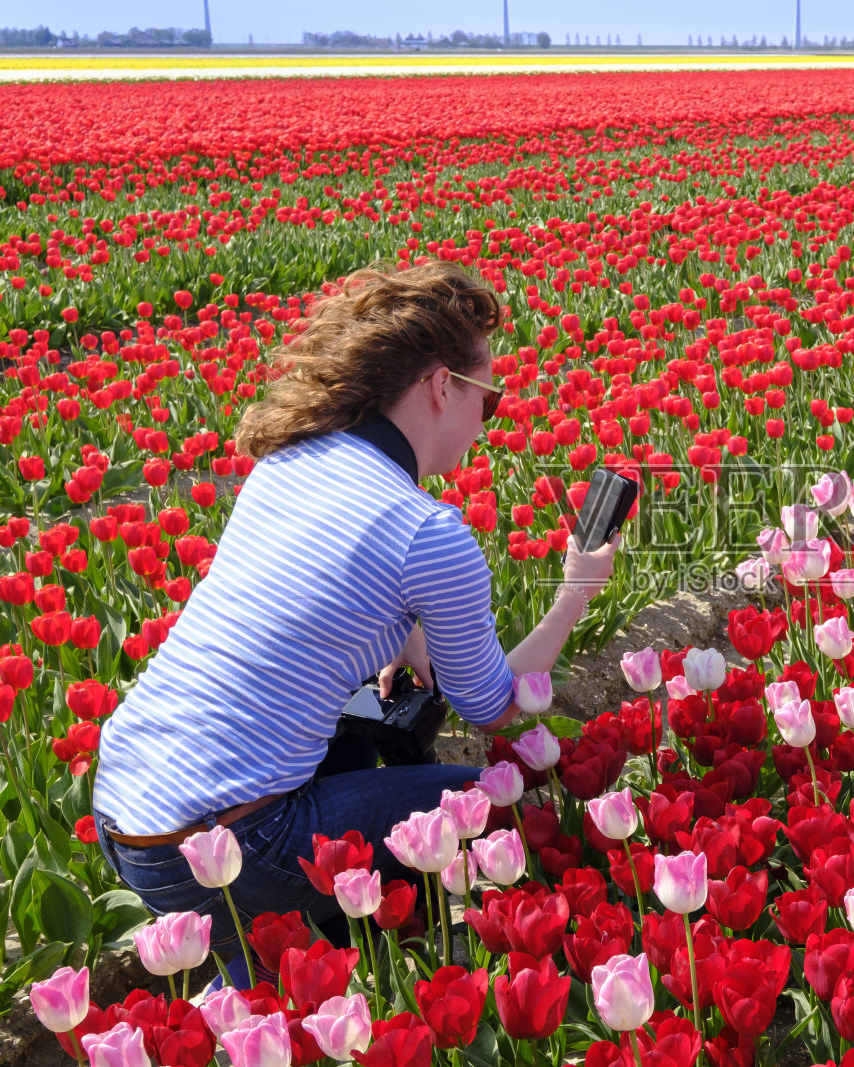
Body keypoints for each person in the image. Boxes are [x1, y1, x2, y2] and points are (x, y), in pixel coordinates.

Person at [90, 260, 618, 980]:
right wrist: (575, 593)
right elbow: (493, 705)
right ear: (439, 386)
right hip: (234, 841)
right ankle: (334, 980)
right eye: (487, 400)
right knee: (494, 805)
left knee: (355, 755)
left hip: (125, 812)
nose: (487, 423)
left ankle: (273, 979)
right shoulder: (426, 532)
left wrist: (403, 630)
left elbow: (312, 592)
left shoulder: (292, 459)